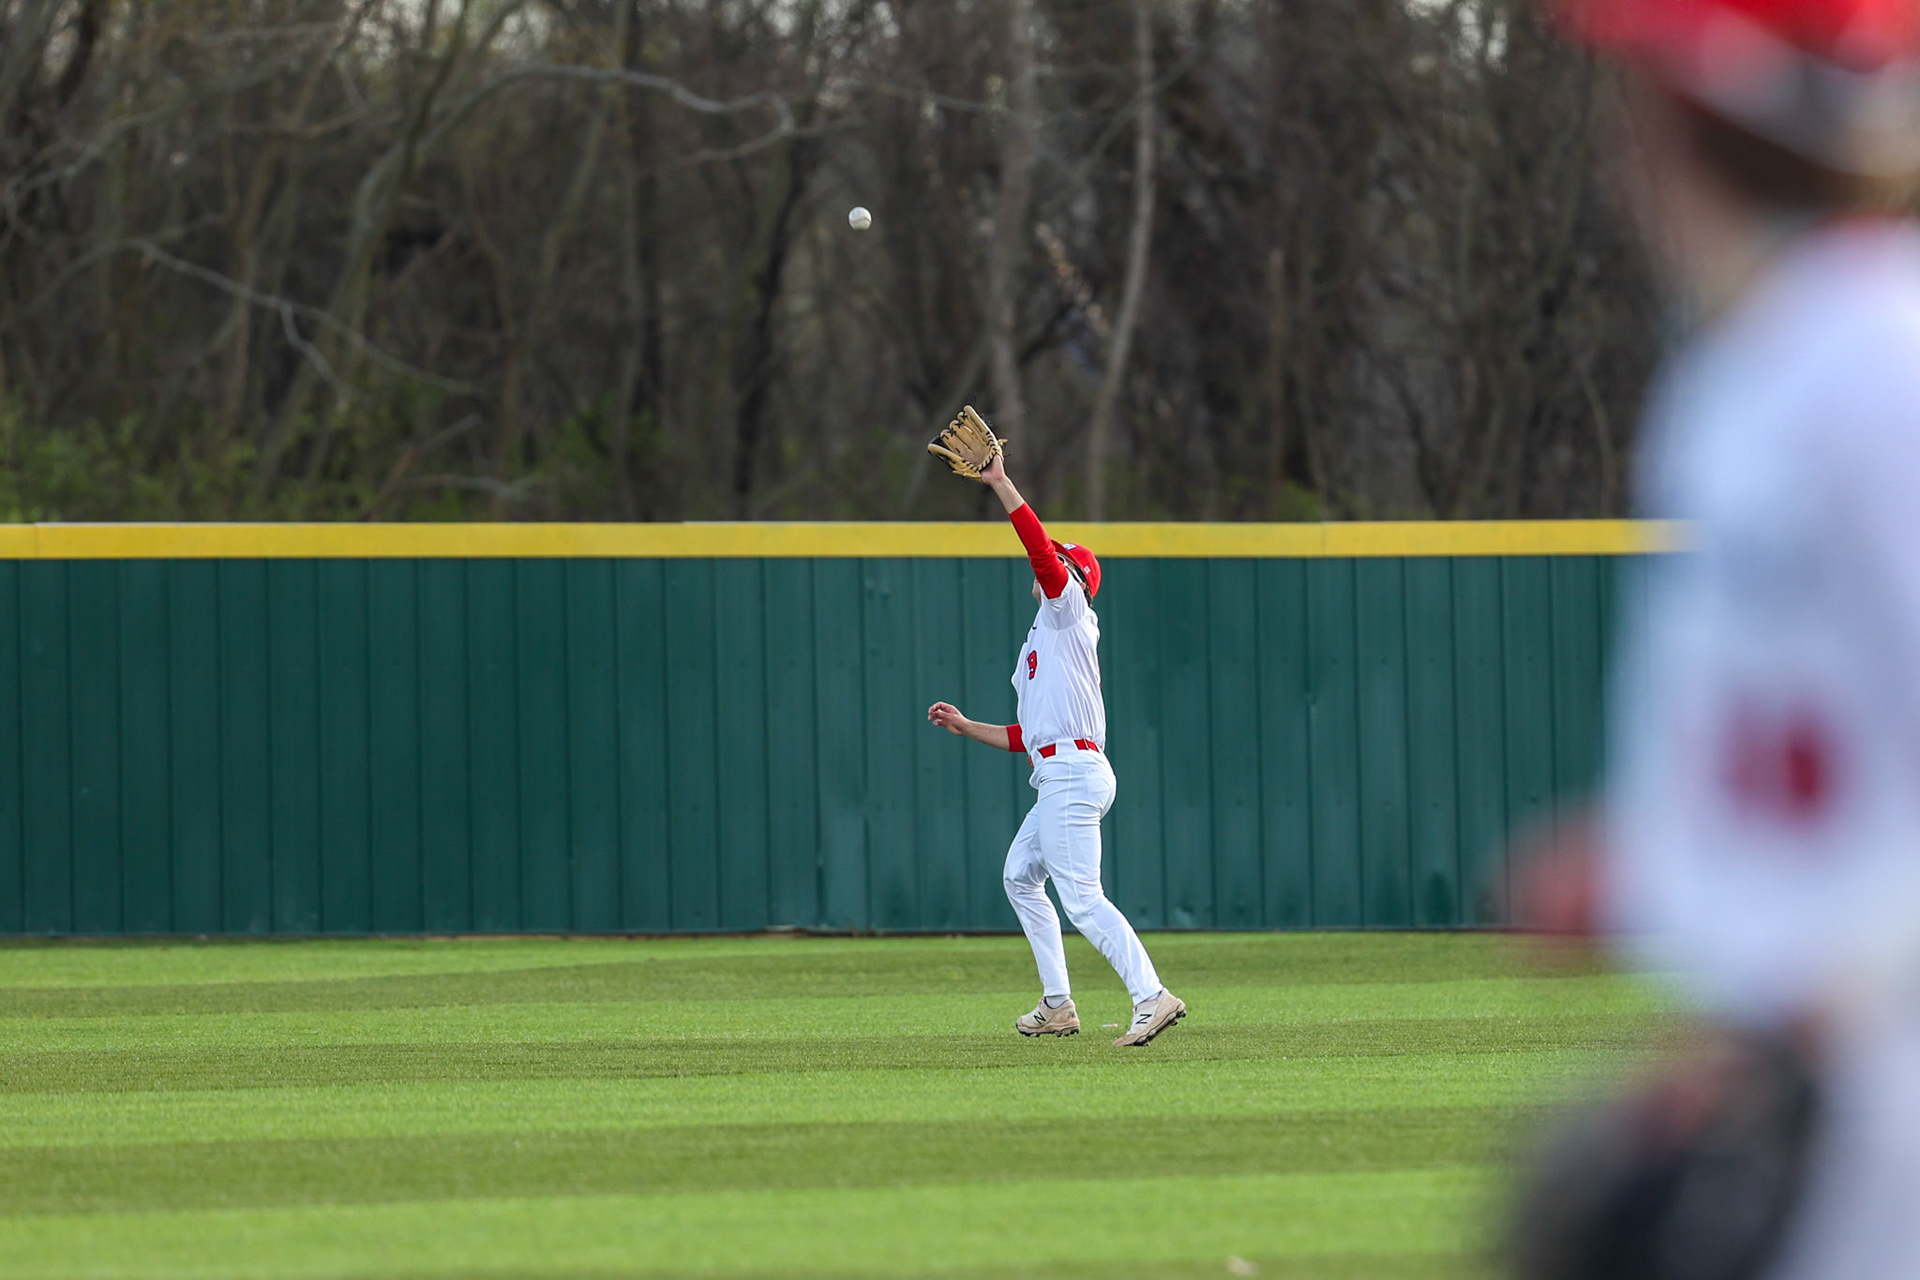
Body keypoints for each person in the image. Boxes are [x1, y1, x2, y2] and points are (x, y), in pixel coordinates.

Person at [1518, 1, 1920, 1276]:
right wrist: (1658, 862)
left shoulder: (1880, 362)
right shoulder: (1738, 375)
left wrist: (1811, 1024)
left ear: (1691, 110)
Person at [925, 453, 1185, 1048]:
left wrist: (1000, 483)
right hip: (1059, 766)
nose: (1050, 564)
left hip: (1072, 771)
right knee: (1019, 876)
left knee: (1084, 899)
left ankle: (1151, 996)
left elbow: (1041, 551)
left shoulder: (1070, 610)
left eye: (1062, 561)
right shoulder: (1039, 644)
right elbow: (1027, 737)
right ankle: (1058, 1003)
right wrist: (969, 728)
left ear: (1073, 574)